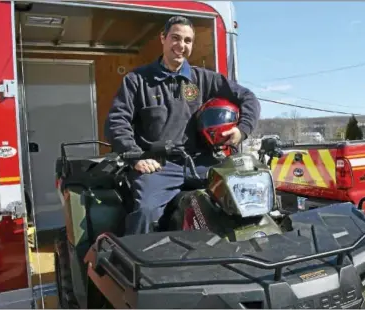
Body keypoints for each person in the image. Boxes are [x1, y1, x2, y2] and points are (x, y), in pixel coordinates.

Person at [104, 15, 261, 234]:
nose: (181, 45)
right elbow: (116, 121)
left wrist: (241, 131)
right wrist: (137, 156)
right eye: (176, 38)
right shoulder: (137, 81)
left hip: (202, 164)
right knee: (146, 213)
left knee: (243, 201)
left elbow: (248, 98)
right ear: (163, 39)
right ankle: (137, 266)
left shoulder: (204, 79)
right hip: (158, 167)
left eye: (187, 41)